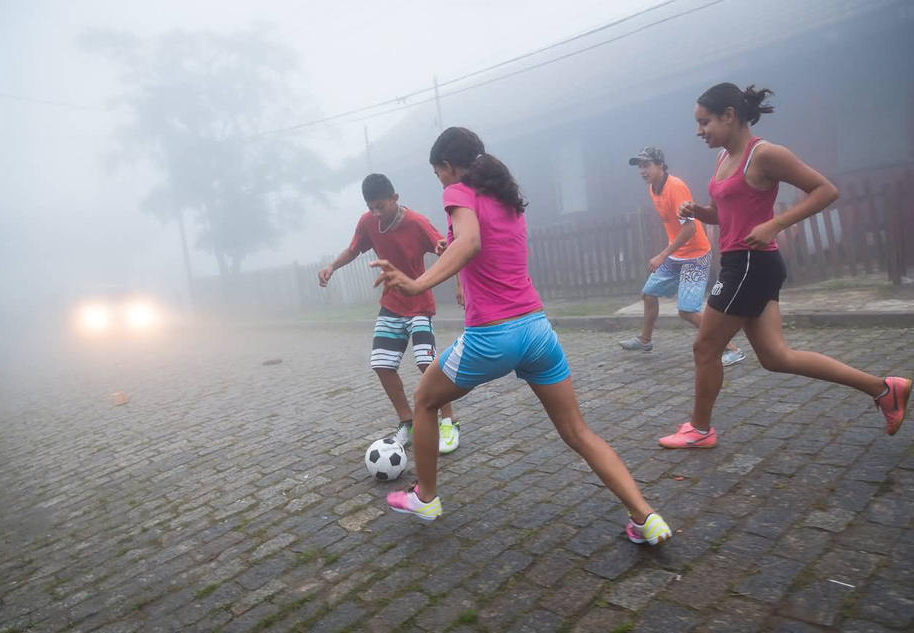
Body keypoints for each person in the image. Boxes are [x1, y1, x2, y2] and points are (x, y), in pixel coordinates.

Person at [370, 127, 672, 545]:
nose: (440, 180)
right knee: (577, 431)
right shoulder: (504, 196)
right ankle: (646, 516)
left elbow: (472, 242)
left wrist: (419, 284)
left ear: (449, 166)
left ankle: (426, 496)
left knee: (424, 400)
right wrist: (452, 248)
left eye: (438, 171)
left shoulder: (458, 191)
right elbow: (480, 245)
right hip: (536, 330)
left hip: (493, 336)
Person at [659, 83, 911, 449]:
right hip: (744, 263)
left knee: (705, 348)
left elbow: (826, 190)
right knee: (776, 357)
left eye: (705, 122)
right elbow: (727, 214)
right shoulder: (723, 157)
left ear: (729, 115)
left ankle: (700, 429)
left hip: (749, 265)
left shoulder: (765, 154)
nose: (699, 131)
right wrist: (699, 212)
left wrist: (776, 223)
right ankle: (884, 389)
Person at [319, 173, 461, 453]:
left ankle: (449, 422)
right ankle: (407, 422)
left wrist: (460, 285)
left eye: (381, 206)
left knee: (426, 363)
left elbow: (450, 252)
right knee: (381, 364)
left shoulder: (418, 223)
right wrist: (332, 266)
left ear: (395, 199)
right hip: (391, 305)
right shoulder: (368, 222)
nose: (376, 213)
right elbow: (353, 249)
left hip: (418, 301)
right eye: (371, 207)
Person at [620, 147, 745, 367]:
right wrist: (669, 254)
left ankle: (732, 349)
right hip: (676, 256)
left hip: (695, 255)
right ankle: (645, 340)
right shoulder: (652, 188)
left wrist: (662, 255)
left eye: (646, 165)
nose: (642, 170)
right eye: (639, 166)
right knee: (649, 294)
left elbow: (690, 230)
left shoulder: (675, 187)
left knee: (687, 310)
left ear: (660, 165)